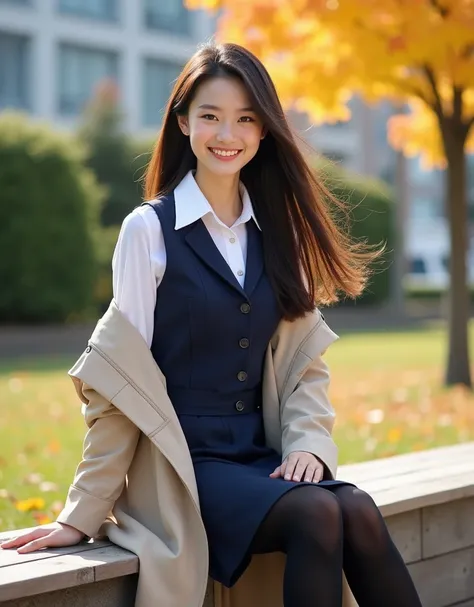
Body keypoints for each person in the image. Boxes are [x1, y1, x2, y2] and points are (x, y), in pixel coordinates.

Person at [1, 42, 422, 607]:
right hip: (184, 466)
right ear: (182, 123)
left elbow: (304, 370)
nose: (229, 133)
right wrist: (83, 514)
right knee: (319, 511)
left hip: (260, 453)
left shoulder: (279, 234)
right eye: (211, 116)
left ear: (266, 130)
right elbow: (118, 386)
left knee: (357, 511)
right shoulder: (147, 232)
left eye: (247, 118)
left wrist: (309, 445)